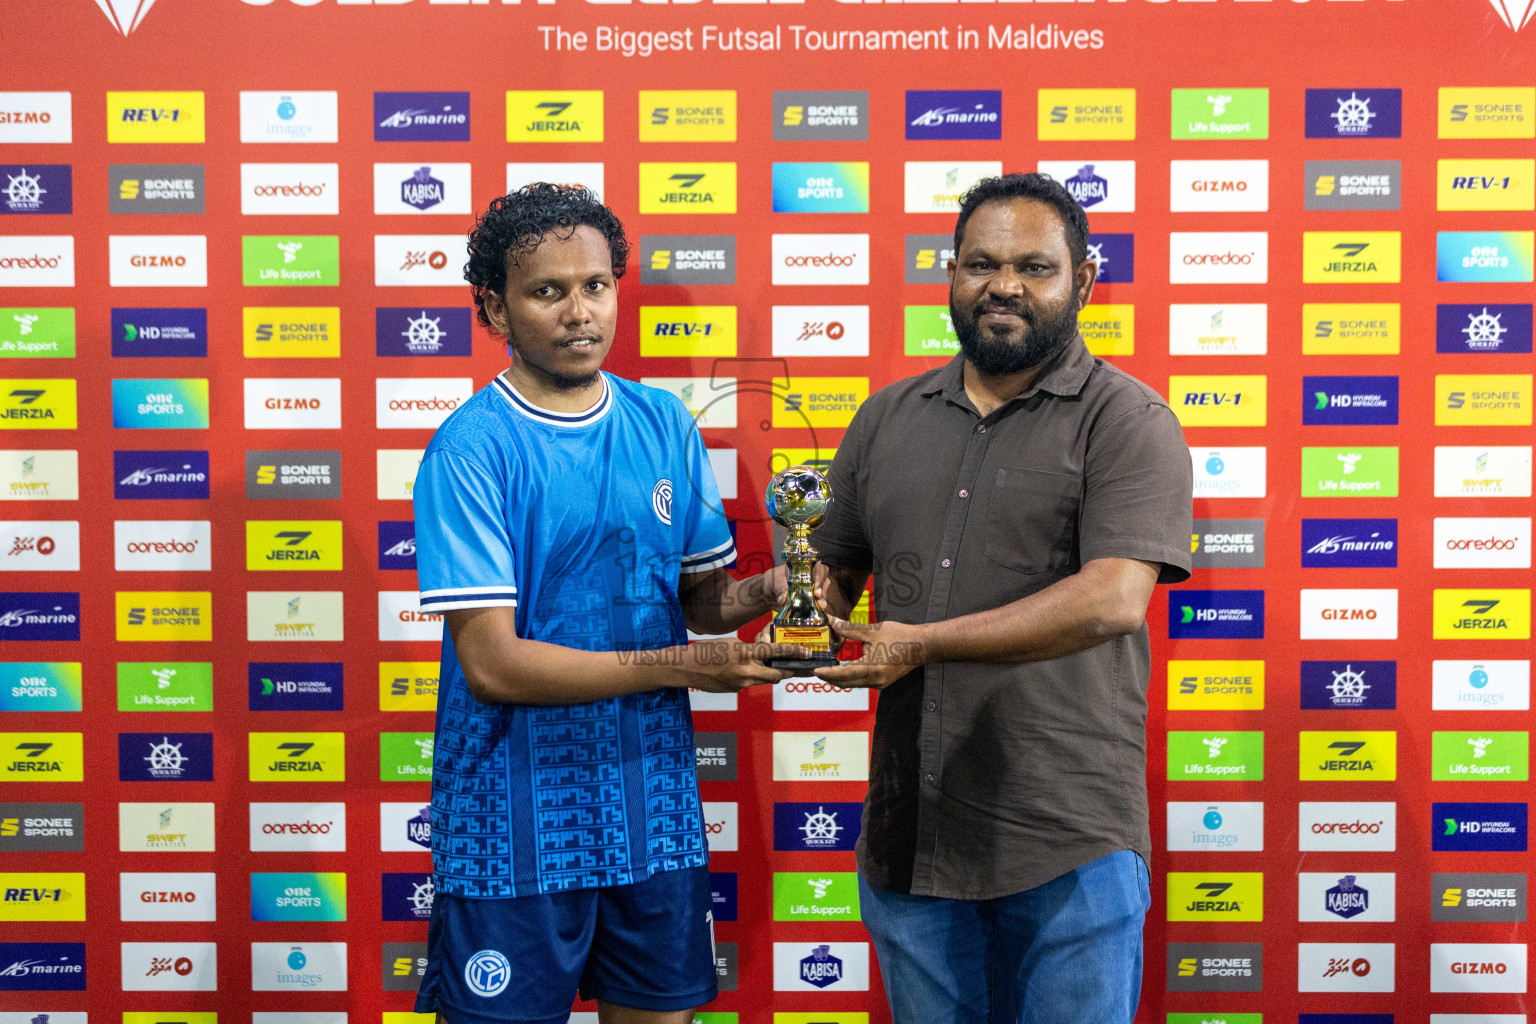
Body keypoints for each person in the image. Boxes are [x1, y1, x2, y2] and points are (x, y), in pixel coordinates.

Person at [807, 173, 1194, 1023]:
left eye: (1034, 266)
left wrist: (925, 643)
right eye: (980, 263)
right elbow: (826, 574)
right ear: (950, 274)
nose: (1004, 286)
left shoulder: (1128, 421)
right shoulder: (886, 418)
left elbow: (1112, 600)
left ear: (1083, 280)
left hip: (1067, 839)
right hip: (915, 831)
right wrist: (778, 599)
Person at [411, 183, 800, 1024]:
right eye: (547, 291)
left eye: (595, 285)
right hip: (510, 815)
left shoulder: (664, 422)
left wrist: (790, 586)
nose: (578, 312)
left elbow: (701, 605)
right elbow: (493, 664)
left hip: (652, 804)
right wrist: (681, 666)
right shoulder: (470, 449)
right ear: (495, 306)